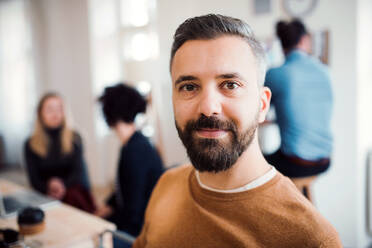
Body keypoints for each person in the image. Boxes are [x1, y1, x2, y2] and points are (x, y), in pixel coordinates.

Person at [132, 14, 341, 247]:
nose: (208, 108)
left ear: (262, 104)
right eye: (189, 86)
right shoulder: (165, 186)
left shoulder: (311, 239)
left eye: (230, 85)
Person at [264, 19, 333, 199]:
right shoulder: (324, 71)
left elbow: (258, 110)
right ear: (305, 41)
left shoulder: (276, 74)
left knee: (250, 162)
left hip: (296, 162)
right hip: (325, 159)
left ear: (282, 44)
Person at [96, 83, 164, 239]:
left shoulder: (134, 151)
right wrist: (108, 205)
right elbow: (127, 188)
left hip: (140, 233)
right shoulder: (136, 143)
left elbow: (133, 213)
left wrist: (103, 224)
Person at [24, 93, 96, 213]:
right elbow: (34, 179)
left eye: (59, 108)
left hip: (73, 192)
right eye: (50, 109)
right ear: (40, 113)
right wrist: (49, 186)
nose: (55, 114)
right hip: (45, 194)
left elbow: (78, 172)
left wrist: (61, 186)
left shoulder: (75, 138)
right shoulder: (30, 143)